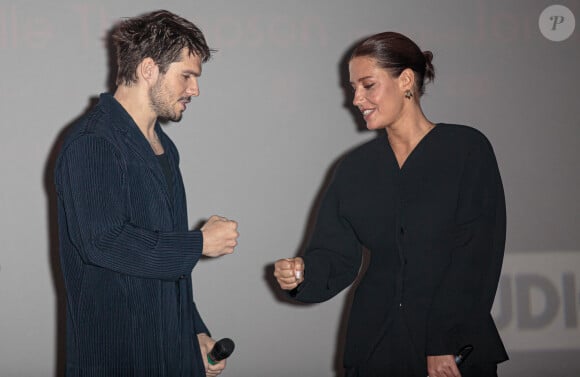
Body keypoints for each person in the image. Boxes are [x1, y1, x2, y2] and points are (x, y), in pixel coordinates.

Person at [274, 31, 508, 377]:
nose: (356, 99)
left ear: (406, 81)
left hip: (451, 352)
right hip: (374, 349)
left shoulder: (466, 149)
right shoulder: (354, 169)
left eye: (367, 85)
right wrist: (301, 274)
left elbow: (477, 256)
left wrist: (443, 340)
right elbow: (334, 255)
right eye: (353, 88)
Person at [54, 10, 239, 377]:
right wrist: (198, 243)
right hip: (117, 361)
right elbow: (103, 242)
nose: (195, 89)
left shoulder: (164, 148)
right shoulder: (93, 143)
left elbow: (163, 262)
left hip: (171, 356)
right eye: (186, 76)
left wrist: (194, 330)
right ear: (149, 69)